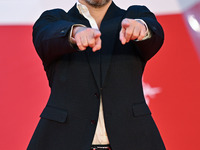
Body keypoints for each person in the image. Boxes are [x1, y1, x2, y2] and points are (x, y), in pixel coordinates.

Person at [27, 0, 165, 150]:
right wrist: (75, 32)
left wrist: (141, 29)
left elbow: (155, 32)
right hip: (62, 141)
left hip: (134, 141)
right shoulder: (54, 19)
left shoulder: (135, 16)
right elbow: (46, 35)